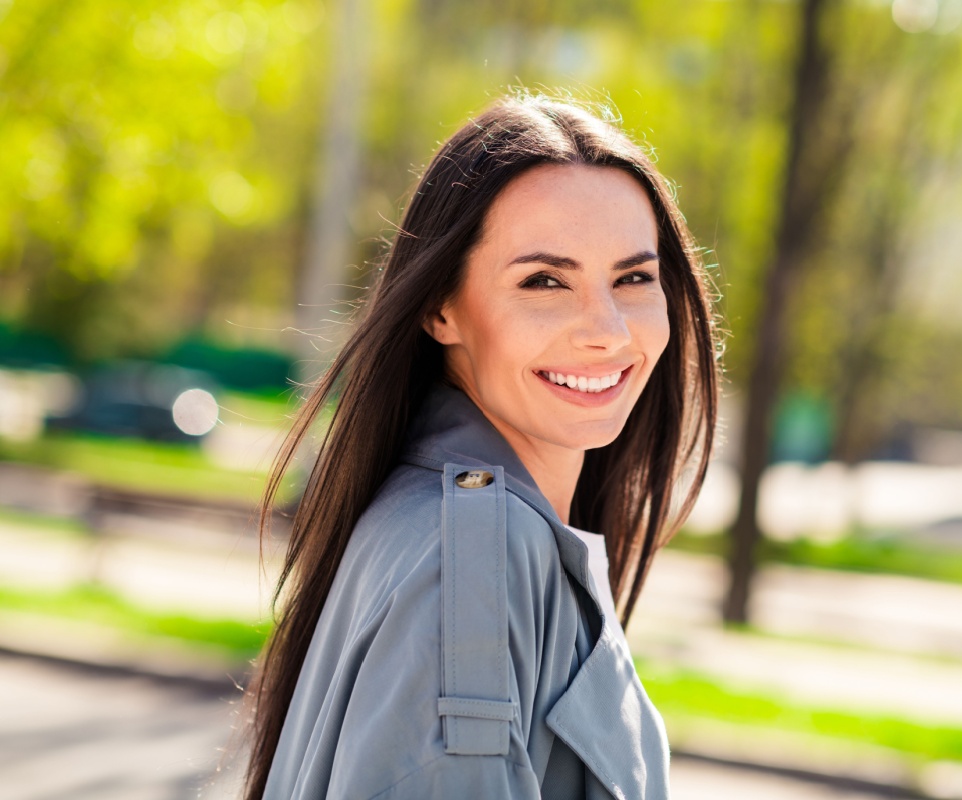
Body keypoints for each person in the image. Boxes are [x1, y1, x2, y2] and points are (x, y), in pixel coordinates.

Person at [242, 93, 721, 800]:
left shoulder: (442, 521)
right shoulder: (471, 562)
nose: (609, 330)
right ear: (441, 307)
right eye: (545, 281)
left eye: (633, 278)